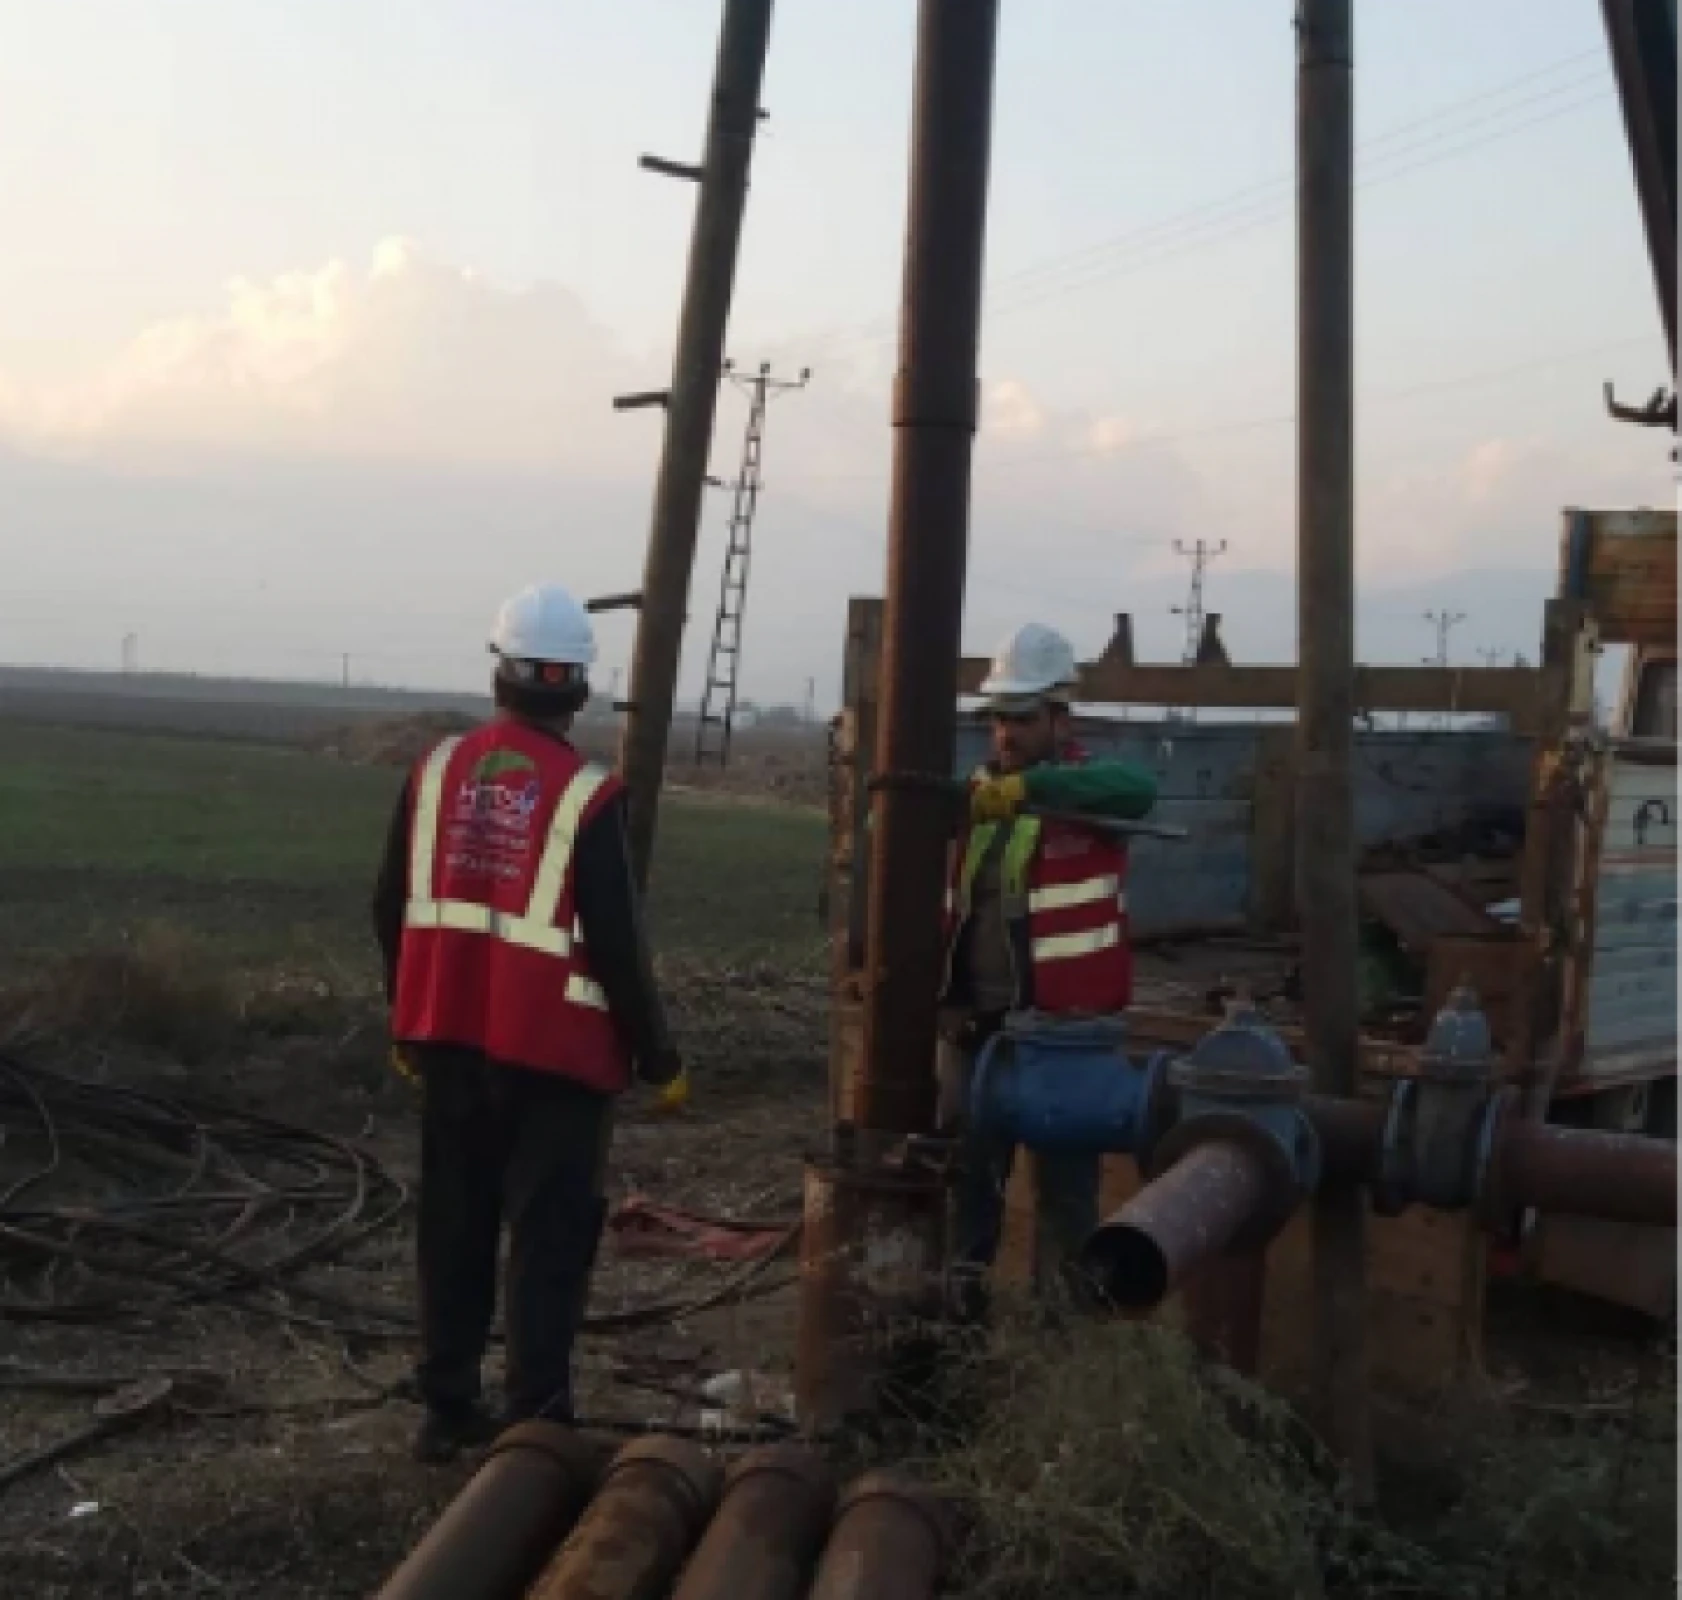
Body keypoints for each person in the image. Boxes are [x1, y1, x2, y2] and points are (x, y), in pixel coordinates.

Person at [372, 583, 685, 1462]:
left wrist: (410, 1017)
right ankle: (537, 1425)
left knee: (455, 1225)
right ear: (579, 689)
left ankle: (445, 1410)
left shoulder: (433, 774)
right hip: (553, 1058)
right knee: (547, 1241)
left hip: (446, 1044)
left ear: (500, 673)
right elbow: (619, 946)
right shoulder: (588, 796)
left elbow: (387, 906)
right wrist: (659, 1057)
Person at [939, 622, 1157, 1310]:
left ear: (1062, 716)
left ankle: (1067, 1363)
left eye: (1024, 717)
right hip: (977, 1037)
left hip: (1062, 1045)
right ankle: (957, 1345)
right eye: (999, 718)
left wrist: (1040, 790)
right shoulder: (977, 799)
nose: (1007, 733)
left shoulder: (1092, 794)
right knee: (964, 1211)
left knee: (1068, 1214)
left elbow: (1137, 789)